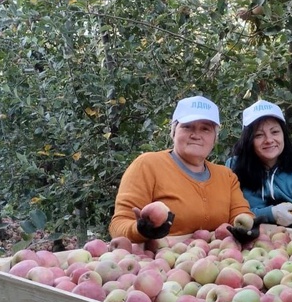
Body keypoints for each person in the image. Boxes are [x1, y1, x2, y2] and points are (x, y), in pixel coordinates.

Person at [109, 96, 256, 243]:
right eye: (187, 127)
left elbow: (241, 214)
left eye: (205, 129)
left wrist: (248, 228)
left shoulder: (226, 176)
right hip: (158, 262)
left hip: (219, 261)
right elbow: (119, 225)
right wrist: (141, 230)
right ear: (173, 132)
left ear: (215, 138)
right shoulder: (148, 165)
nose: (196, 135)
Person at [227, 100, 292, 234]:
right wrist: (271, 213)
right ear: (248, 140)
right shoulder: (234, 167)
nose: (269, 140)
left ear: (284, 134)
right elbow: (229, 213)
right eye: (259, 135)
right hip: (247, 242)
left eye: (275, 132)